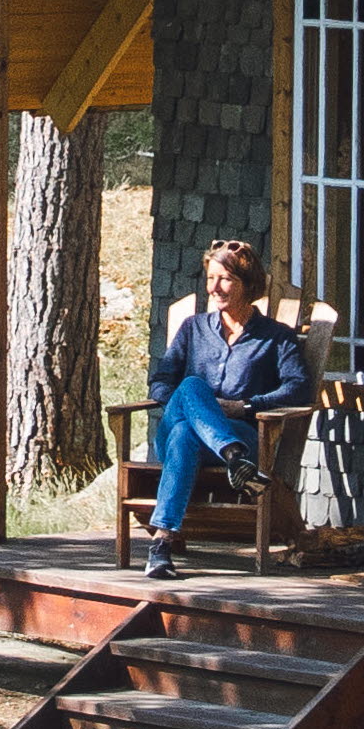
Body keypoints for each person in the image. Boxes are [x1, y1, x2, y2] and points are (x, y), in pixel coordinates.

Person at [139, 238, 316, 574]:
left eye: (225, 279)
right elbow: (161, 381)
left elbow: (298, 388)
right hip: (205, 432)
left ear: (248, 285)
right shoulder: (193, 328)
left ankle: (161, 545)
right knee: (191, 387)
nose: (215, 288)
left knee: (184, 436)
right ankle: (235, 460)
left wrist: (247, 406)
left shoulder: (276, 336)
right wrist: (193, 403)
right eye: (210, 279)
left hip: (242, 430)